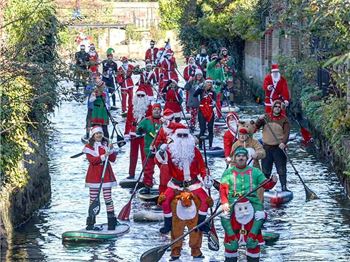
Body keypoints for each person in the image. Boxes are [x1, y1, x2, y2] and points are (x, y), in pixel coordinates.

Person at [220, 147, 278, 262]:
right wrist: (225, 202)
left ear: (247, 158)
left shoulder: (255, 172)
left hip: (252, 202)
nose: (241, 158)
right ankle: (231, 241)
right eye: (238, 156)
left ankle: (252, 241)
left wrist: (273, 181)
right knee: (225, 216)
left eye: (243, 156)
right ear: (234, 158)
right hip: (233, 203)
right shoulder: (228, 173)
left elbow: (266, 185)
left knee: (260, 214)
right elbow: (223, 190)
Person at [155, 126, 213, 234]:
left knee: (206, 201)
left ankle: (201, 223)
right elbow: (159, 160)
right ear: (175, 137)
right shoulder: (170, 151)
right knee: (164, 201)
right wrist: (161, 151)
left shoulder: (195, 151)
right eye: (179, 135)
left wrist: (206, 178)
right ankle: (168, 224)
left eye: (185, 135)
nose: (182, 138)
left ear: (189, 137)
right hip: (175, 184)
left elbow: (202, 167)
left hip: (193, 184)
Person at [83, 126, 119, 231]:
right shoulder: (88, 147)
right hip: (94, 176)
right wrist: (104, 155)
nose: (99, 135)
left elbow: (112, 159)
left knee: (108, 199)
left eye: (100, 133)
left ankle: (111, 223)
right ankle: (90, 223)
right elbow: (93, 161)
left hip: (106, 175)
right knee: (93, 200)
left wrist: (111, 150)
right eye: (96, 133)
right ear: (93, 135)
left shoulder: (106, 145)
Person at [255, 100, 290, 191]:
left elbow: (286, 133)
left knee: (281, 170)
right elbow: (256, 127)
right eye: (276, 106)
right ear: (273, 107)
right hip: (267, 148)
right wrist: (259, 119)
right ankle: (266, 188)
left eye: (279, 107)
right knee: (266, 170)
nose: (277, 108)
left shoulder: (284, 119)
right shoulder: (266, 117)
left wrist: (283, 143)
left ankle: (284, 187)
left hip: (279, 148)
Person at [124, 86, 152, 179]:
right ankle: (131, 173)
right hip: (133, 133)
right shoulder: (132, 106)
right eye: (138, 95)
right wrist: (126, 133)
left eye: (142, 96)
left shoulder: (149, 107)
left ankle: (146, 174)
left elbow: (151, 121)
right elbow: (128, 120)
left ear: (145, 96)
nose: (140, 97)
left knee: (145, 154)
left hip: (144, 134)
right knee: (133, 154)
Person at [136, 103, 162, 192]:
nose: (156, 111)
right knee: (148, 169)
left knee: (164, 169)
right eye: (155, 109)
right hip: (149, 149)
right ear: (152, 110)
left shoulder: (164, 121)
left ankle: (164, 186)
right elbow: (138, 129)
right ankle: (147, 185)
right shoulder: (146, 120)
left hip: (161, 150)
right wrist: (139, 130)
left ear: (161, 111)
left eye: (158, 109)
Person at [194, 78, 216, 149]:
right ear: (205, 84)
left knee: (210, 128)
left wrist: (214, 102)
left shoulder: (213, 92)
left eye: (210, 83)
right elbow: (194, 95)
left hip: (210, 112)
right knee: (202, 129)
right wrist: (200, 88)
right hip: (202, 111)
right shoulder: (201, 90)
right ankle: (200, 146)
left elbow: (215, 100)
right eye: (208, 83)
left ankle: (210, 146)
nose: (209, 84)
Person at [206, 53, 226, 119]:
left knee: (218, 103)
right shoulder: (209, 66)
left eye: (216, 60)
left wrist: (223, 82)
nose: (216, 62)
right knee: (209, 102)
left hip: (217, 88)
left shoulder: (220, 69)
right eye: (214, 60)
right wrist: (216, 60)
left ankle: (219, 116)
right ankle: (209, 115)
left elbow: (223, 78)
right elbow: (211, 64)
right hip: (209, 87)